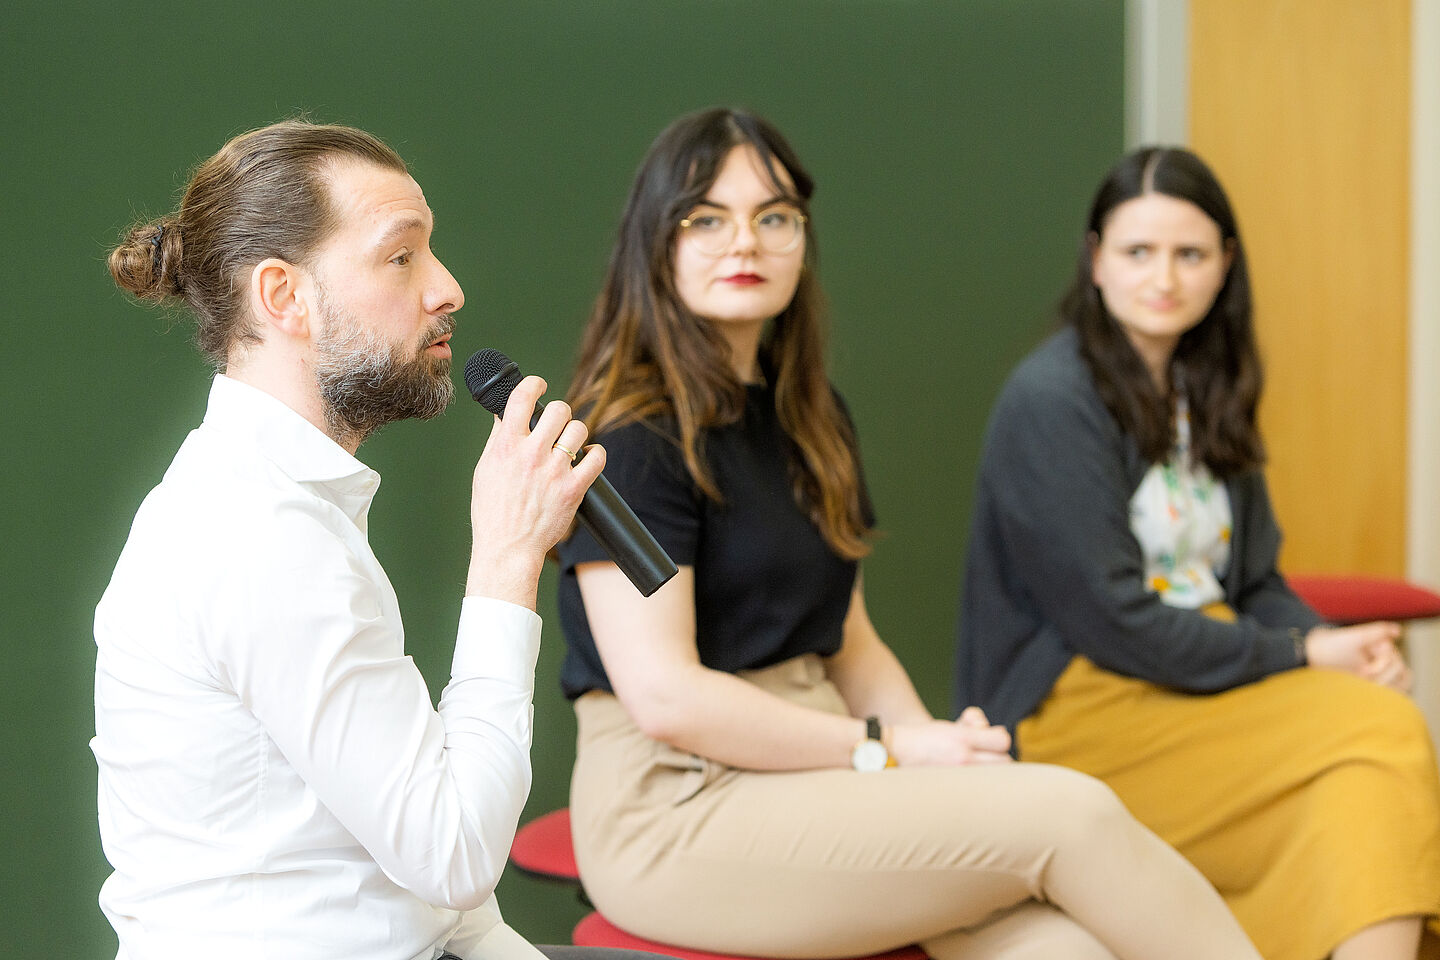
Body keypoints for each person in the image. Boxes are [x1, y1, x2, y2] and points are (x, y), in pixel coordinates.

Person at [554, 107, 1262, 960]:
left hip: (817, 772)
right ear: (656, 243)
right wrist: (889, 751)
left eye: (773, 218)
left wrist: (943, 755)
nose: (745, 243)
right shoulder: (631, 438)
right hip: (678, 808)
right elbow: (667, 698)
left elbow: (851, 647)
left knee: (1060, 947)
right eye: (706, 219)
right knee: (1069, 812)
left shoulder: (811, 417)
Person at [94, 119, 633, 960]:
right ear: (284, 297)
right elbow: (451, 853)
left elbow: (437, 893)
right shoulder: (255, 534)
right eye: (401, 256)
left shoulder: (290, 501)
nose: (447, 287)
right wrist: (507, 555)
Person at [955, 145, 1440, 960]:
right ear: (1096, 261)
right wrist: (1300, 652)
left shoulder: (1203, 388)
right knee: (1381, 732)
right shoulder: (1053, 400)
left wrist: (1340, 648)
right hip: (1083, 703)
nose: (1165, 278)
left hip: (1203, 681)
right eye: (1138, 252)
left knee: (1359, 780)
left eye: (1190, 254)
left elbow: (1254, 583)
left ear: (1225, 267)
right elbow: (1114, 621)